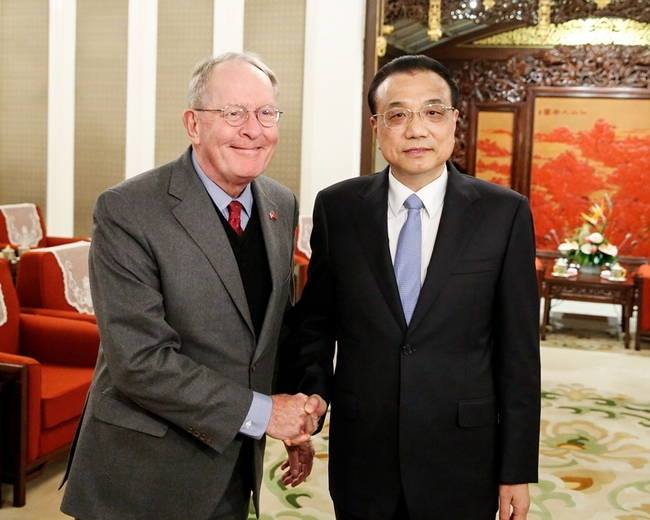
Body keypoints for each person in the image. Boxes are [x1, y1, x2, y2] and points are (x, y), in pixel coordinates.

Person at [60, 52, 325, 520]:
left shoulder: (279, 204)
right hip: (142, 477)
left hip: (231, 467)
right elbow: (140, 362)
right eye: (233, 113)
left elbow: (268, 335)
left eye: (266, 112)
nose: (253, 129)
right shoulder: (128, 209)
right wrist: (267, 414)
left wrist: (291, 424)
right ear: (193, 123)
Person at [279, 54, 541, 520]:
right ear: (377, 127)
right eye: (398, 115)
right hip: (363, 452)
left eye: (433, 112)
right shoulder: (338, 208)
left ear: (455, 121)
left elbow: (518, 354)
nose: (416, 129)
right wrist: (312, 394)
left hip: (464, 456)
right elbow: (315, 322)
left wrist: (515, 468)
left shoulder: (503, 213)